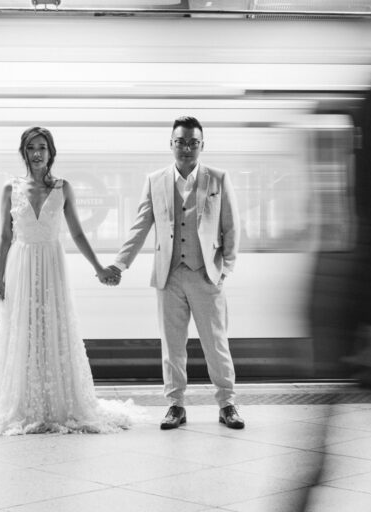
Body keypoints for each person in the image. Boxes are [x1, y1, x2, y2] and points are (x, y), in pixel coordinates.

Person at [0, 127, 137, 435]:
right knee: (24, 332)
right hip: (21, 267)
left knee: (53, 329)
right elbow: (5, 236)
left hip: (53, 267)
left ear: (51, 152)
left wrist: (98, 268)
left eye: (43, 147)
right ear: (24, 153)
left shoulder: (62, 188)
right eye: (32, 148)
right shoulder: (11, 189)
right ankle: (26, 404)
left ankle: (56, 403)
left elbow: (79, 233)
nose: (38, 153)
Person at [102, 116, 244, 430]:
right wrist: (120, 263)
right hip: (168, 276)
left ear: (202, 145)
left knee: (216, 343)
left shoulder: (218, 178)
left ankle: (227, 404)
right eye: (181, 141)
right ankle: (175, 406)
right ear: (171, 144)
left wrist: (224, 271)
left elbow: (231, 227)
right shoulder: (155, 180)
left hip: (206, 274)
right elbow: (140, 226)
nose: (187, 147)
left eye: (193, 142)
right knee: (172, 345)